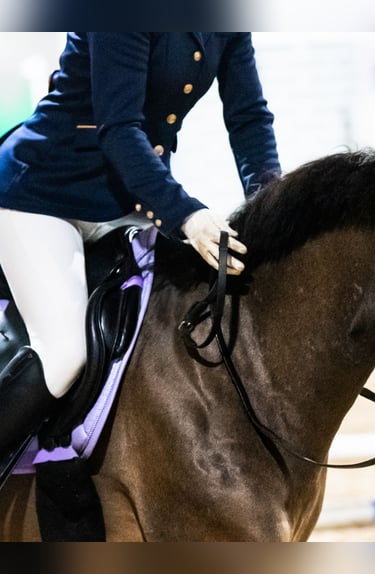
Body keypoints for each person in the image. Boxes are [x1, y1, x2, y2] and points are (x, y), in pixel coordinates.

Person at [0, 33, 281, 471]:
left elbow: (248, 117)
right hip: (44, 195)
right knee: (65, 354)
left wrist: (272, 206)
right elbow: (119, 127)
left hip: (127, 201)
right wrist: (187, 215)